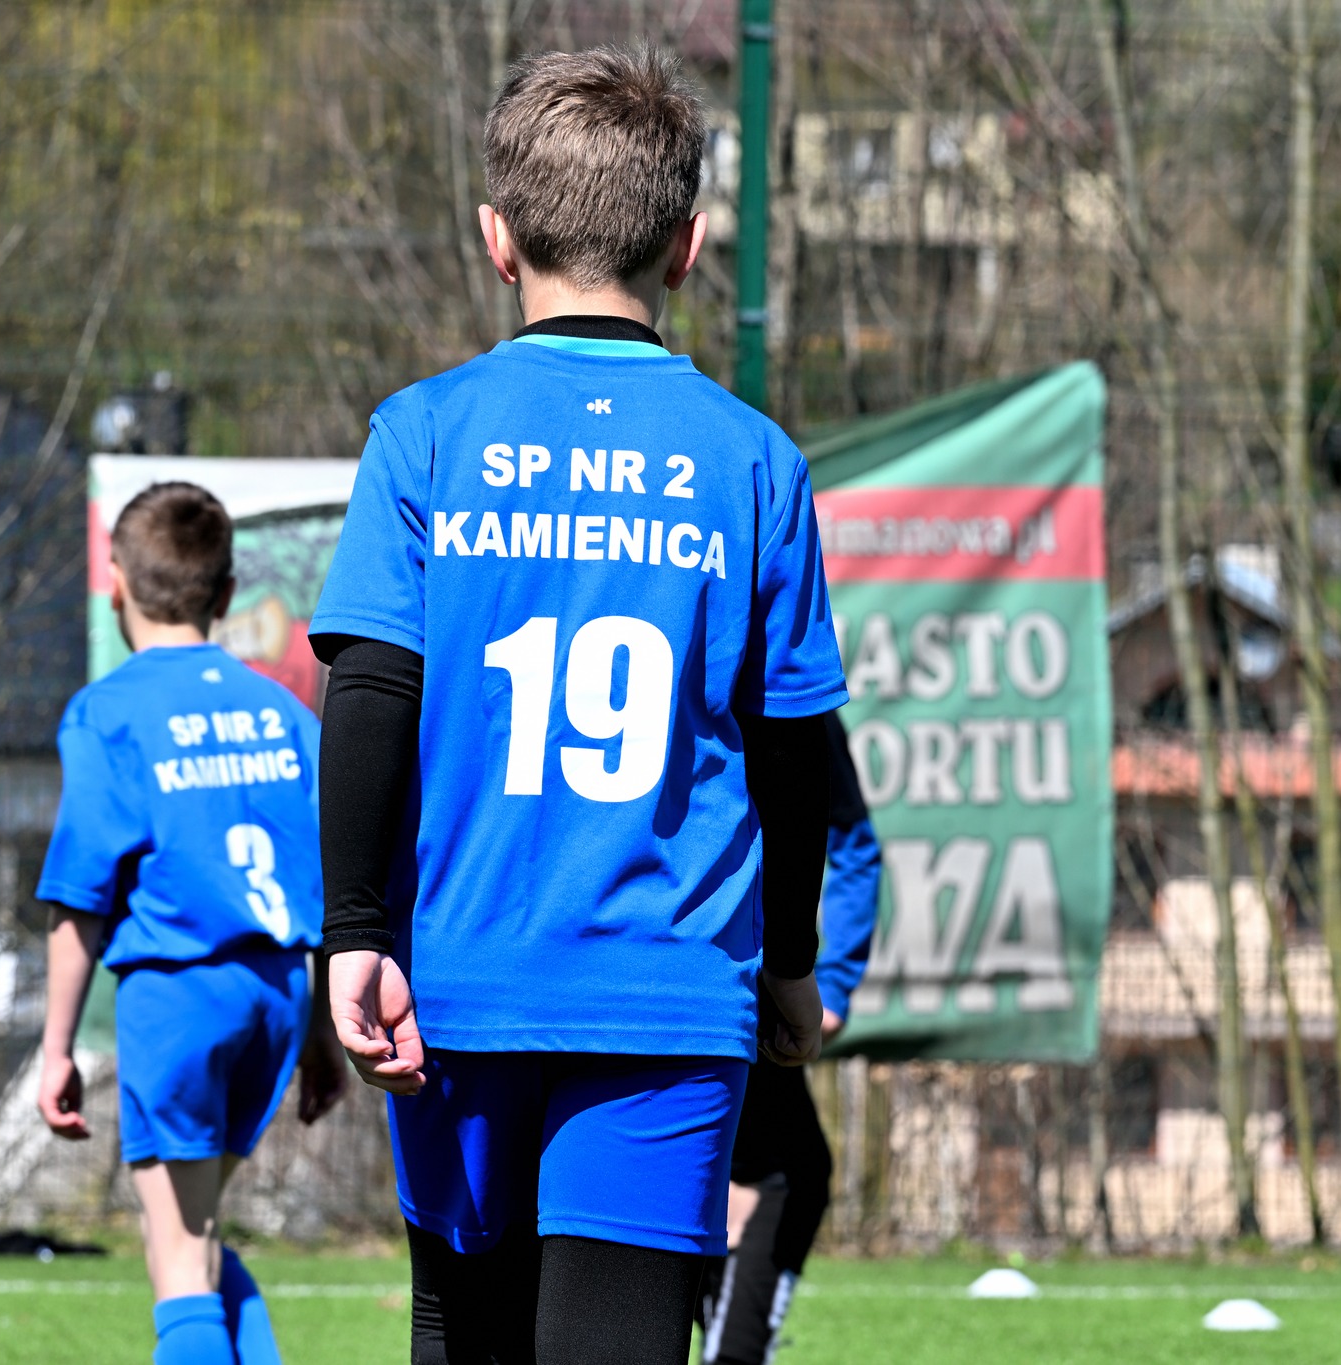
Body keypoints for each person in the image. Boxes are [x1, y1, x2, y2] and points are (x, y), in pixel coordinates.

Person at [308, 46, 849, 1365]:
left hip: (460, 981)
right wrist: (790, 960)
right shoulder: (753, 461)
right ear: (689, 245)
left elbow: (370, 694)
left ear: (496, 239)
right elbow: (793, 758)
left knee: (466, 1336)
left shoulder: (423, 433)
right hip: (666, 989)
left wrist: (355, 932)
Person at [35, 482, 345, 1365]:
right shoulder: (284, 713)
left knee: (176, 1257)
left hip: (179, 991)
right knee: (198, 1236)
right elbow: (323, 883)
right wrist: (321, 1035)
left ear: (117, 587)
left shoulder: (110, 710)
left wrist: (57, 1047)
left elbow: (79, 896)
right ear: (227, 591)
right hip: (277, 995)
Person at [698, 711, 881, 1365]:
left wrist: (830, 980)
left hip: (724, 981)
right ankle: (731, 1348)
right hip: (714, 977)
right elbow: (847, 836)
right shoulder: (774, 675)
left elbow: (851, 840)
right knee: (778, 1172)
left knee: (770, 1167)